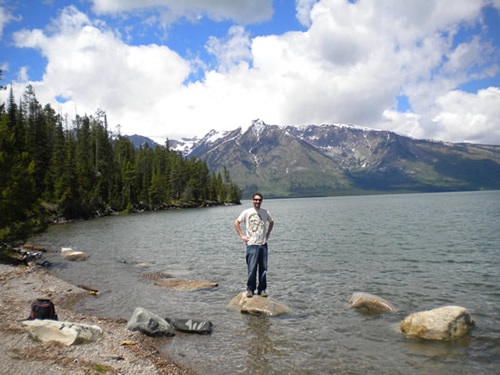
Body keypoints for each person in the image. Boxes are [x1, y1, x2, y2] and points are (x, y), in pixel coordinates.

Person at [234, 192, 274, 298]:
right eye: (256, 200)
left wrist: (268, 234)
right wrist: (242, 236)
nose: (257, 201)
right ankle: (250, 289)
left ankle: (262, 290)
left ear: (261, 201)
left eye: (259, 200)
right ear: (252, 200)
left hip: (263, 244)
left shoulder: (265, 212)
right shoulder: (247, 212)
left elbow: (271, 222)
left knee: (263, 269)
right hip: (251, 245)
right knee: (252, 269)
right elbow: (236, 223)